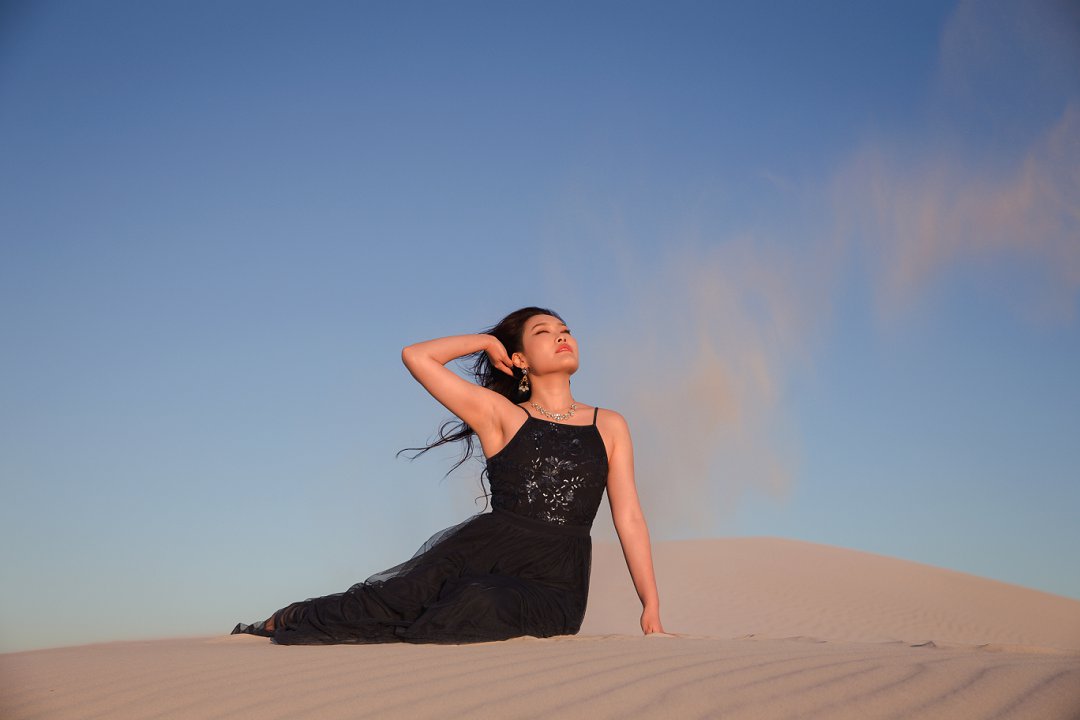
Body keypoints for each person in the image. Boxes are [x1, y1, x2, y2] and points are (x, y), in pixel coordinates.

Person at [231, 306, 665, 644]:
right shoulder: (500, 415)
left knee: (481, 605)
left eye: (564, 329)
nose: (562, 336)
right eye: (543, 332)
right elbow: (416, 356)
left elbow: (628, 518)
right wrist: (483, 341)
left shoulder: (609, 424)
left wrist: (650, 605)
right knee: (389, 601)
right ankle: (278, 621)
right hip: (482, 552)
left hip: (557, 579)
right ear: (519, 359)